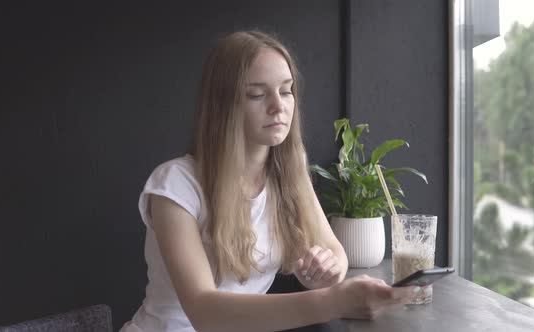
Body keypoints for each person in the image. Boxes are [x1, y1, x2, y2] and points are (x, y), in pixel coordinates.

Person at [121, 30, 418, 332]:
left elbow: (336, 254)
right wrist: (332, 302)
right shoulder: (175, 185)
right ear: (223, 105)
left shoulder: (289, 171)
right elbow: (204, 312)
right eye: (257, 94)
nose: (279, 106)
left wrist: (326, 272)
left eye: (286, 91)